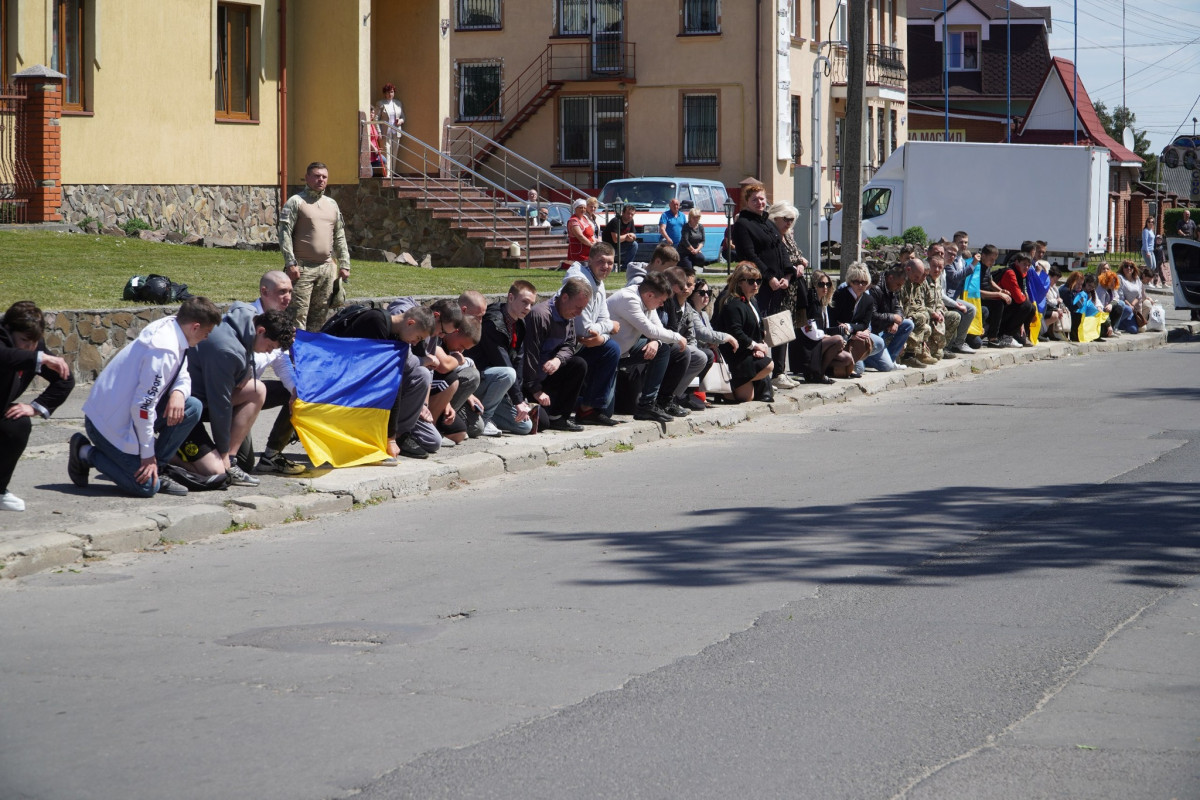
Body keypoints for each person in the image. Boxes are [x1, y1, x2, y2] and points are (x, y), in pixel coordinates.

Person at [71, 297, 223, 497]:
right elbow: (142, 407)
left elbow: (182, 373)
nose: (206, 337)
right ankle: (85, 452)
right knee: (145, 487)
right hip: (107, 426)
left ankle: (156, 469)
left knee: (191, 406)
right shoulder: (163, 350)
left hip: (128, 415)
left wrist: (178, 392)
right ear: (195, 327)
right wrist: (147, 454)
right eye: (206, 332)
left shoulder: (176, 328)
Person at [173, 307, 296, 486]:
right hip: (183, 408)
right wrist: (221, 454)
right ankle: (163, 455)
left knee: (258, 389)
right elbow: (220, 405)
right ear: (261, 331)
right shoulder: (227, 350)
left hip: (203, 400)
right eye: (270, 346)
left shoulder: (247, 325)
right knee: (216, 472)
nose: (269, 352)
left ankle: (231, 458)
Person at [321, 303, 438, 459]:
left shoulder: (397, 335)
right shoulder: (376, 323)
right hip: (336, 378)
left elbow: (393, 380)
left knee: (420, 374)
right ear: (411, 323)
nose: (415, 343)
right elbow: (388, 382)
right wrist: (390, 438)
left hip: (357, 380)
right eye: (418, 338)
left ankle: (397, 435)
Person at [0, 302, 75, 512]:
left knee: (18, 424)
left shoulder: (35, 348)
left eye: (34, 342)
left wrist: (35, 407)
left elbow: (65, 380)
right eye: (24, 340)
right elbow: (5, 357)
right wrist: (39, 358)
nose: (30, 347)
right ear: (8, 329)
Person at [607, 271, 690, 422]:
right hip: (606, 356)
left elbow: (657, 328)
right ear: (650, 295)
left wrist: (656, 342)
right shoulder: (629, 299)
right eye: (661, 301)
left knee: (664, 349)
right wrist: (677, 337)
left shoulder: (646, 302)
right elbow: (650, 330)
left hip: (625, 351)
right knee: (605, 410)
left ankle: (647, 405)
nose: (662, 305)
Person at [279, 161, 351, 333]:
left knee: (319, 318)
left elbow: (339, 236)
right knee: (297, 317)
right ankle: (294, 355)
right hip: (302, 269)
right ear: (307, 177)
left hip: (326, 269)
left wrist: (345, 264)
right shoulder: (295, 202)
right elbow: (284, 233)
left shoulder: (332, 204)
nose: (321, 180)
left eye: (324, 177)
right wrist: (291, 263)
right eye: (317, 176)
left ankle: (312, 354)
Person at [246, 270, 306, 476]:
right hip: (227, 395)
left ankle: (271, 455)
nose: (288, 297)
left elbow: (282, 363)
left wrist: (295, 390)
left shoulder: (280, 322)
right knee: (243, 465)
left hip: (252, 392)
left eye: (290, 291)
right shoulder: (245, 319)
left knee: (298, 392)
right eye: (282, 292)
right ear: (264, 291)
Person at [732, 183, 791, 389]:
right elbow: (750, 255)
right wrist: (768, 278)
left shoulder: (768, 222)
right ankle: (762, 374)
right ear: (747, 202)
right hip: (757, 284)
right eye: (755, 199)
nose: (760, 202)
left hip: (779, 284)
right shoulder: (742, 224)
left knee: (780, 327)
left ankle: (780, 373)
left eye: (762, 198)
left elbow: (781, 248)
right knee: (760, 329)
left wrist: (788, 274)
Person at [466, 281, 538, 436]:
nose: (528, 308)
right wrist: (518, 401)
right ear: (511, 298)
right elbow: (503, 362)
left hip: (499, 387)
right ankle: (482, 421)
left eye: (531, 304)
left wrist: (518, 399)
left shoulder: (519, 323)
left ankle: (490, 415)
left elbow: (518, 361)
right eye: (524, 302)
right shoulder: (493, 323)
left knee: (525, 426)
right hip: (481, 379)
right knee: (507, 373)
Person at [522, 278, 595, 432]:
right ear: (564, 298)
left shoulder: (569, 315)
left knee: (578, 364)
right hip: (530, 381)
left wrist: (557, 360)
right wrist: (535, 390)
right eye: (578, 307)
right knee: (541, 425)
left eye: (583, 309)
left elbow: (570, 345)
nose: (579, 313)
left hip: (548, 373)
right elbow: (529, 356)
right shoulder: (540, 315)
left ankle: (560, 417)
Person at [563, 243, 623, 423]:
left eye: (610, 263)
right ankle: (584, 407)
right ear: (589, 261)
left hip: (584, 344)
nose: (606, 267)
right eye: (601, 262)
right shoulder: (581, 283)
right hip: (567, 348)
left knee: (611, 348)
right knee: (611, 348)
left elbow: (603, 319)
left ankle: (588, 408)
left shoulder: (599, 282)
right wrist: (609, 328)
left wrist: (602, 336)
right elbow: (586, 331)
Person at [712, 262, 774, 403]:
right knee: (768, 365)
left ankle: (731, 387)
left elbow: (758, 327)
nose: (756, 285)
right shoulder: (733, 303)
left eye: (758, 281)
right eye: (751, 281)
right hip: (735, 355)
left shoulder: (752, 301)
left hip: (747, 352)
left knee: (747, 397)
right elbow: (736, 331)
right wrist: (755, 346)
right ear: (740, 283)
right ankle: (728, 385)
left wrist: (759, 345)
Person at [682, 277, 738, 407]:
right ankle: (691, 393)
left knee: (710, 353)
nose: (706, 296)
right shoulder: (692, 312)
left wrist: (715, 342)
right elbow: (702, 333)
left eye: (709, 292)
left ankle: (705, 393)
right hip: (692, 351)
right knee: (706, 354)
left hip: (702, 350)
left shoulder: (704, 314)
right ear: (692, 295)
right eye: (702, 293)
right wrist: (727, 337)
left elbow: (710, 333)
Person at [831, 262, 896, 373]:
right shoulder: (840, 294)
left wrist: (856, 330)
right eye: (856, 282)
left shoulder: (868, 299)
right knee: (859, 370)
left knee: (879, 343)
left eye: (864, 282)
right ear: (850, 281)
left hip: (857, 333)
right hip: (841, 333)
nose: (860, 285)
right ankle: (844, 359)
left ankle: (861, 356)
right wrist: (851, 331)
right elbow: (834, 319)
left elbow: (864, 323)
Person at [898, 257, 947, 367]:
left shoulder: (913, 283)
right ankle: (909, 355)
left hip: (911, 316)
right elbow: (903, 306)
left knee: (927, 321)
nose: (922, 278)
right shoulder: (902, 282)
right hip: (900, 318)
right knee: (921, 318)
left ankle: (919, 352)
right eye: (920, 275)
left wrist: (937, 312)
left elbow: (921, 305)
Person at [993, 253, 1037, 347]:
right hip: (1000, 307)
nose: (1026, 267)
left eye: (1029, 265)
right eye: (1024, 264)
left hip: (1011, 306)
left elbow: (1022, 294)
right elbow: (1019, 298)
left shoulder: (1023, 274)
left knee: (1031, 308)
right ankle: (1006, 335)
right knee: (1027, 306)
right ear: (1017, 262)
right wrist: (1022, 295)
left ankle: (1022, 334)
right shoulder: (1010, 273)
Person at [376, 83, 405, 176]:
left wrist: (400, 121)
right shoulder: (380, 103)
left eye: (392, 92)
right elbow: (376, 119)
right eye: (388, 92)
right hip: (385, 133)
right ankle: (387, 175)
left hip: (396, 132)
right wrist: (379, 132)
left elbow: (403, 117)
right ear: (385, 93)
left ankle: (392, 174)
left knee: (394, 154)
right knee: (386, 153)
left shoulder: (398, 103)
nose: (390, 94)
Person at [1117, 259, 1149, 332]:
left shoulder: (1136, 278)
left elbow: (1139, 295)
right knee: (1128, 310)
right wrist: (1129, 305)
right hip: (1124, 307)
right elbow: (1121, 297)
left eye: (1131, 266)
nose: (1129, 268)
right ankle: (1116, 323)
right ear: (1122, 268)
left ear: (1134, 269)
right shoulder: (1120, 278)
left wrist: (1132, 304)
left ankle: (1122, 324)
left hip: (1133, 308)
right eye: (1126, 266)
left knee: (1134, 330)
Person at [604, 204, 638, 270]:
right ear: (623, 213)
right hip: (609, 247)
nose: (630, 216)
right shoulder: (616, 221)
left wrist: (631, 237)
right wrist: (626, 236)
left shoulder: (631, 221)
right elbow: (615, 239)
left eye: (632, 214)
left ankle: (626, 267)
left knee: (634, 244)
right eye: (628, 214)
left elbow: (633, 235)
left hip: (621, 245)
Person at [566, 199, 596, 265]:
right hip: (579, 252)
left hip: (588, 251)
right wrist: (591, 244)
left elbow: (591, 234)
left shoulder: (584, 219)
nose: (583, 210)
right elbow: (580, 236)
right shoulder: (573, 221)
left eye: (584, 208)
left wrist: (595, 241)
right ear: (575, 209)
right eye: (580, 208)